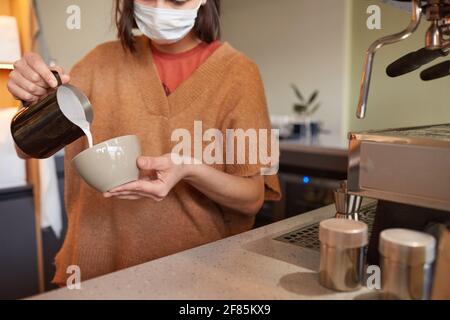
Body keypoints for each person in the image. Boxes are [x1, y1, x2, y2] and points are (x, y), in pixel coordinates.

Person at [7, 0, 281, 285]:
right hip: (92, 275)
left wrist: (190, 169)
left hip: (193, 277)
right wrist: (34, 103)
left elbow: (252, 198)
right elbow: (25, 148)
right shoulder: (98, 62)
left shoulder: (240, 75)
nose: (160, 5)